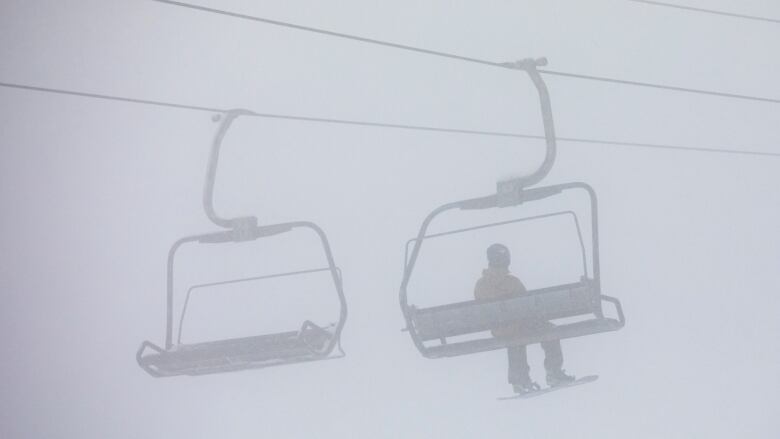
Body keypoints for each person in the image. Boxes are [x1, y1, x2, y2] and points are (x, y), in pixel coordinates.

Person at [474, 243, 575, 393]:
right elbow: (527, 306)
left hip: (501, 329)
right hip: (519, 326)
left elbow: (482, 312)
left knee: (514, 337)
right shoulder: (512, 282)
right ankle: (554, 372)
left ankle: (520, 380)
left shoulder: (481, 285)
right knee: (548, 330)